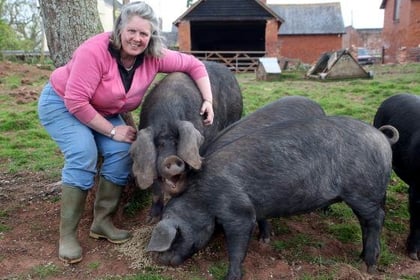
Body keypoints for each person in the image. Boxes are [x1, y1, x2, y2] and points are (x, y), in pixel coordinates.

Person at [37, 1, 214, 264]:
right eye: (132, 31)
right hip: (63, 104)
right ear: (120, 29)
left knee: (122, 152)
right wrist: (111, 130)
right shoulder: (94, 51)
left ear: (151, 37)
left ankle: (102, 222)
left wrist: (208, 100)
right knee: (83, 152)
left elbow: (194, 65)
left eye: (144, 33)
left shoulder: (153, 56)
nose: (137, 38)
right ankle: (68, 235)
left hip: (102, 110)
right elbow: (76, 101)